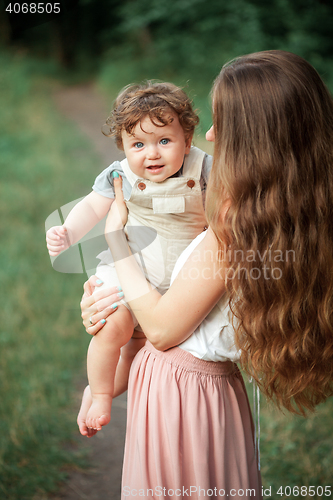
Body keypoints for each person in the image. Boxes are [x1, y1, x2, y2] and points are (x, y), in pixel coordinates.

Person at [79, 50, 333, 499]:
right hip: (206, 392)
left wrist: (116, 240)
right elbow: (166, 310)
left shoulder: (238, 222)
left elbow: (161, 329)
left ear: (260, 137)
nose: (210, 136)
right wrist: (113, 310)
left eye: (223, 124)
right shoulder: (296, 213)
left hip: (184, 398)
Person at [46, 81, 213, 431]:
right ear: (122, 146)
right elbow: (92, 206)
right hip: (130, 268)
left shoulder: (204, 169)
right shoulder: (119, 174)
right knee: (112, 328)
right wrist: (68, 233)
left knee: (142, 351)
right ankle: (101, 394)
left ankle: (112, 389)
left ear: (187, 138)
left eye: (164, 141)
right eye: (138, 144)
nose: (151, 154)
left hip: (182, 281)